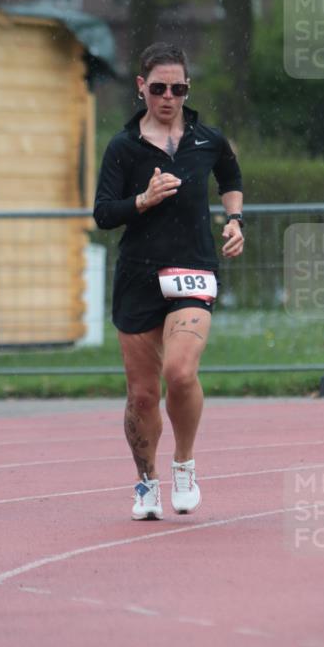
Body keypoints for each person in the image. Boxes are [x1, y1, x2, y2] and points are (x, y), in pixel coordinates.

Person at [93, 42, 245, 521]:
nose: (168, 97)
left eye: (177, 88)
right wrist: (142, 200)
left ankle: (184, 464)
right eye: (158, 88)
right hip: (138, 277)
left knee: (180, 372)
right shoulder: (123, 148)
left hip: (194, 271)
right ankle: (146, 481)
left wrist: (236, 219)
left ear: (187, 89)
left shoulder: (207, 139)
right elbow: (102, 214)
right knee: (141, 394)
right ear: (141, 88)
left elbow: (230, 174)